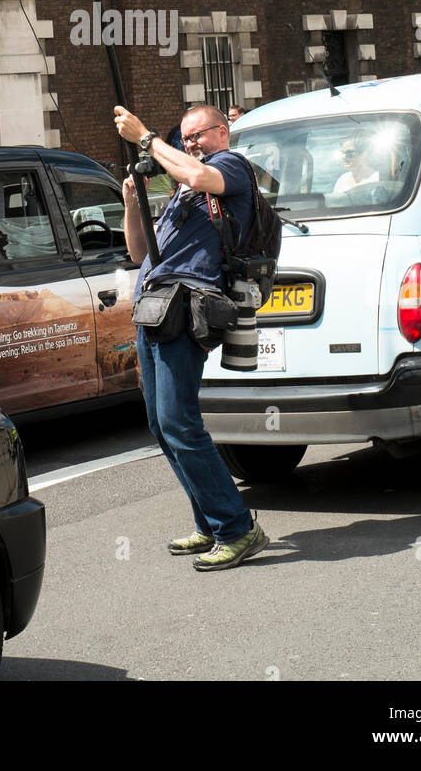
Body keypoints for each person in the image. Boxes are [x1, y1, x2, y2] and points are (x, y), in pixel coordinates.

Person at [113, 102, 268, 572]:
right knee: (163, 425)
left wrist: (146, 139)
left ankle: (238, 529)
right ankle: (210, 521)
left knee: (181, 422)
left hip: (186, 309)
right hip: (154, 307)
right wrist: (132, 204)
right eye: (186, 139)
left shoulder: (230, 167)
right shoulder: (182, 192)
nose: (191, 144)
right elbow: (139, 251)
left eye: (198, 135)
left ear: (223, 132)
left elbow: (200, 176)